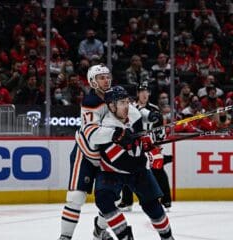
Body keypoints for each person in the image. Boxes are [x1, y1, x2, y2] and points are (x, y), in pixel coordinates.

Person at [77, 85, 174, 240]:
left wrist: (149, 147)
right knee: (104, 199)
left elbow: (141, 136)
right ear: (111, 106)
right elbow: (118, 159)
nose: (126, 106)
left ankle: (168, 237)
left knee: (153, 206)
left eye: (127, 101)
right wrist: (143, 155)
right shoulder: (106, 124)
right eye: (121, 102)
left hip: (136, 169)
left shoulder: (133, 113)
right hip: (111, 170)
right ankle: (123, 235)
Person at [58, 64, 112, 240]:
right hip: (85, 153)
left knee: (112, 199)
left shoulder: (116, 97)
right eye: (101, 77)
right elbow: (93, 135)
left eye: (107, 76)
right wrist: (118, 134)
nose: (106, 80)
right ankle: (65, 236)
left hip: (107, 155)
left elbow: (130, 115)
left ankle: (99, 229)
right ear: (92, 81)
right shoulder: (90, 102)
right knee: (76, 197)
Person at [117, 82, 173, 212]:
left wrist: (158, 141)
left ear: (149, 93)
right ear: (137, 93)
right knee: (126, 169)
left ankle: (166, 200)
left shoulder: (154, 108)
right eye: (141, 91)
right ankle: (127, 201)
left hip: (149, 144)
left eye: (146, 91)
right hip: (133, 144)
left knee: (158, 170)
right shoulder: (130, 107)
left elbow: (160, 129)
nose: (144, 93)